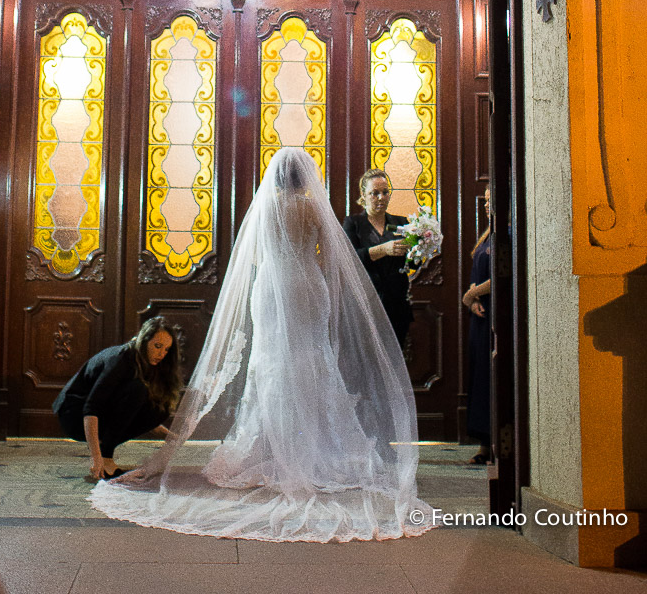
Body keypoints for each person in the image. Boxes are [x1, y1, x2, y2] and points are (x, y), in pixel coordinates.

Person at [91, 147, 433, 541]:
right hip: (308, 287)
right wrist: (306, 266)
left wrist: (278, 265)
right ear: (305, 178)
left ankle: (270, 447)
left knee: (270, 363)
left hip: (272, 287)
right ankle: (313, 449)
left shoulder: (264, 207)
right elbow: (330, 260)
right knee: (312, 360)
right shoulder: (312, 208)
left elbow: (251, 257)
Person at [52, 316, 182, 480]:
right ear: (144, 341)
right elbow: (91, 407)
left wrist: (169, 434)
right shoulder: (120, 359)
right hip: (74, 415)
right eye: (157, 346)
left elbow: (133, 408)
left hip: (96, 413)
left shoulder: (144, 361)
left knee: (160, 406)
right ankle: (106, 458)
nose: (161, 354)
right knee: (138, 390)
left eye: (166, 349)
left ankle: (105, 450)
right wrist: (97, 458)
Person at [343, 168, 413, 348]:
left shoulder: (401, 223)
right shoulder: (354, 224)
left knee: (396, 361)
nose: (381, 198)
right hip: (366, 306)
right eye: (374, 193)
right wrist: (384, 249)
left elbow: (410, 263)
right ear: (363, 195)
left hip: (397, 305)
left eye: (385, 192)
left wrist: (421, 252)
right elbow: (351, 259)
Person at [463, 187, 491, 464]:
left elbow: (503, 271)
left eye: (491, 200)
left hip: (497, 313)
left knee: (493, 375)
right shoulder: (486, 237)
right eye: (484, 200)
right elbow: (476, 274)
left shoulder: (506, 232)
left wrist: (472, 294)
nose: (486, 204)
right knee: (480, 374)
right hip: (480, 316)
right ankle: (485, 442)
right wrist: (472, 300)